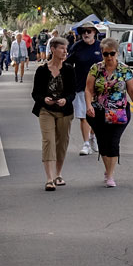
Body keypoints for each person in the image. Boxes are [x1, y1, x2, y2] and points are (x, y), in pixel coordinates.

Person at [83, 40, 133, 187]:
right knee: (103, 142)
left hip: (119, 111)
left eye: (112, 53)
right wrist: (88, 106)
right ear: (102, 53)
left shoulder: (125, 70)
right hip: (98, 111)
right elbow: (88, 89)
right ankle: (107, 169)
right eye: (106, 54)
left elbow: (131, 90)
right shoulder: (96, 69)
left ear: (117, 53)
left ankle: (110, 175)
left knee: (113, 141)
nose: (109, 57)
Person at [32, 36, 74, 190]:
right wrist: (44, 100)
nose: (65, 51)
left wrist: (66, 100)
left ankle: (58, 174)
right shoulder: (42, 70)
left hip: (64, 112)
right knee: (48, 141)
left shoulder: (69, 69)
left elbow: (72, 93)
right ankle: (49, 179)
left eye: (66, 48)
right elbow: (35, 94)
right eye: (62, 48)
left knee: (62, 143)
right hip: (46, 110)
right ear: (53, 49)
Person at [65, 23, 103, 156]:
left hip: (100, 88)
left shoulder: (100, 47)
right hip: (81, 86)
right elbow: (67, 64)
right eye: (83, 32)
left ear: (94, 32)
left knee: (97, 116)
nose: (86, 34)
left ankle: (93, 136)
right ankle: (86, 143)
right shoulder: (77, 47)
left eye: (88, 31)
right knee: (84, 116)